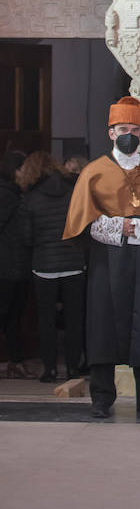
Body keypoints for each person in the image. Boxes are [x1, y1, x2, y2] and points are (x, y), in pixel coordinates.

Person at [62, 97, 140, 420]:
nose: (130, 134)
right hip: (107, 259)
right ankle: (101, 395)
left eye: (135, 129)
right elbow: (84, 221)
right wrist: (123, 225)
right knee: (103, 324)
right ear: (110, 132)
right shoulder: (93, 172)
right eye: (123, 129)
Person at [18, 153, 86, 382]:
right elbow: (82, 225)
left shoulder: (30, 197)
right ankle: (74, 367)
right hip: (74, 263)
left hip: (44, 266)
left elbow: (26, 237)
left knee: (46, 320)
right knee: (74, 320)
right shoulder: (73, 189)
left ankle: (50, 369)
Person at [0, 150, 32, 379]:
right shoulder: (8, 195)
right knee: (9, 315)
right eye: (23, 168)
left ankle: (15, 361)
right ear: (16, 170)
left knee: (13, 316)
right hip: (8, 266)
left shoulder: (15, 194)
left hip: (14, 265)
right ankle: (15, 361)